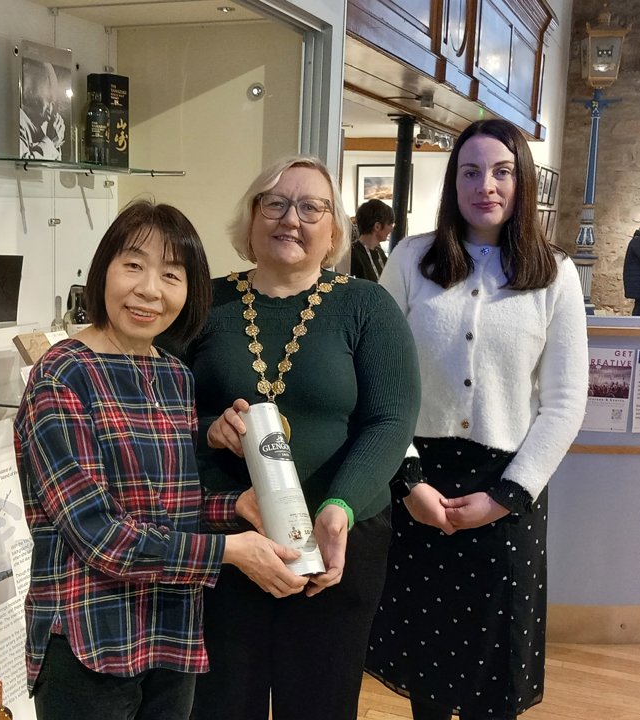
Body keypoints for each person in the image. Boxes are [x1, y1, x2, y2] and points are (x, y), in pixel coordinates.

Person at [14, 200, 308, 720]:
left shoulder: (173, 375)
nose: (150, 289)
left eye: (171, 275)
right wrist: (229, 551)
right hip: (90, 639)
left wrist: (236, 508)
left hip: (171, 634)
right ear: (103, 270)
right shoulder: (62, 376)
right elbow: (100, 535)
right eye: (133, 265)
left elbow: (166, 506)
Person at [365, 118, 589, 720]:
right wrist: (409, 483)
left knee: (495, 680)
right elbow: (378, 378)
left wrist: (507, 495)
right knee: (429, 674)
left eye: (501, 172)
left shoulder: (555, 274)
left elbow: (566, 400)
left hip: (508, 489)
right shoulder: (411, 260)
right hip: (421, 483)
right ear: (453, 182)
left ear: (522, 182)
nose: (484, 185)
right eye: (470, 171)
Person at [184, 156, 419, 720]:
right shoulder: (203, 304)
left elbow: (391, 420)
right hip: (227, 539)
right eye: (275, 203)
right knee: (220, 705)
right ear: (251, 218)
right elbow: (160, 413)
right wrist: (207, 430)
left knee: (320, 704)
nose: (291, 219)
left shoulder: (366, 305)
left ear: (333, 230)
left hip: (339, 541)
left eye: (312, 207)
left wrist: (339, 506)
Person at [19, 57, 67, 161]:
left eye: (54, 102)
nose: (52, 107)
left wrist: (55, 142)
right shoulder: (20, 120)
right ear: (32, 92)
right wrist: (50, 142)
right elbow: (24, 164)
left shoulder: (44, 127)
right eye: (49, 99)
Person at [350, 198, 395, 282]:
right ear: (377, 226)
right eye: (390, 224)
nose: (391, 229)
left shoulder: (380, 253)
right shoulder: (353, 254)